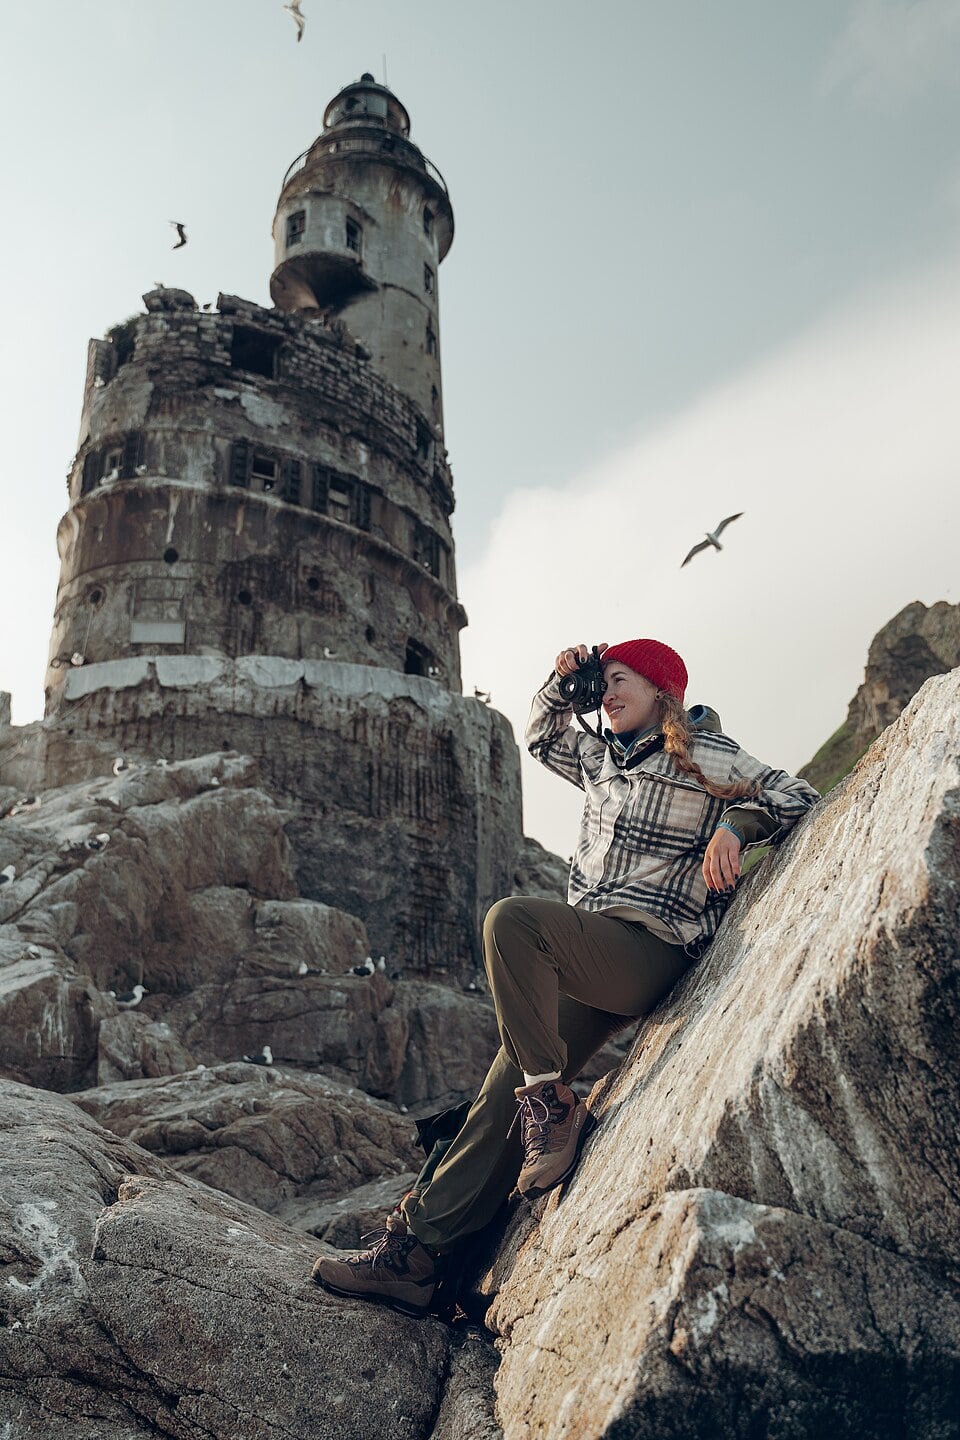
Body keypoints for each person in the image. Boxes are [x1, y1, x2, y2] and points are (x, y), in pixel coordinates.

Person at [312, 638, 819, 1317]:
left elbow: (793, 791)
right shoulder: (601, 758)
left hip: (652, 949)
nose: (608, 694)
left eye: (621, 680)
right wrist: (565, 679)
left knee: (510, 922)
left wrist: (736, 822)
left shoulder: (701, 750)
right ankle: (422, 1257)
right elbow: (539, 735)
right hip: (588, 953)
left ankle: (549, 1108)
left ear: (661, 689)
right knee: (501, 1093)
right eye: (603, 683)